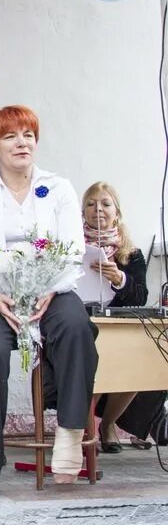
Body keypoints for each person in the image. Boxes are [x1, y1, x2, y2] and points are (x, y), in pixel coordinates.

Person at [0, 105, 97, 502]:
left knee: (75, 327)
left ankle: (69, 433)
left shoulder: (59, 188)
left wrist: (51, 288)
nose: (22, 143)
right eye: (10, 136)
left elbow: (72, 249)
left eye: (28, 135)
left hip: (50, 290)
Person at [81, 181, 155, 453]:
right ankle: (84, 427)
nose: (97, 209)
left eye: (105, 203)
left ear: (117, 212)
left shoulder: (130, 254)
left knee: (139, 362)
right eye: (90, 204)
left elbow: (141, 297)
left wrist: (120, 279)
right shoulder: (72, 247)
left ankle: (108, 423)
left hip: (117, 327)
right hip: (84, 324)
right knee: (93, 359)